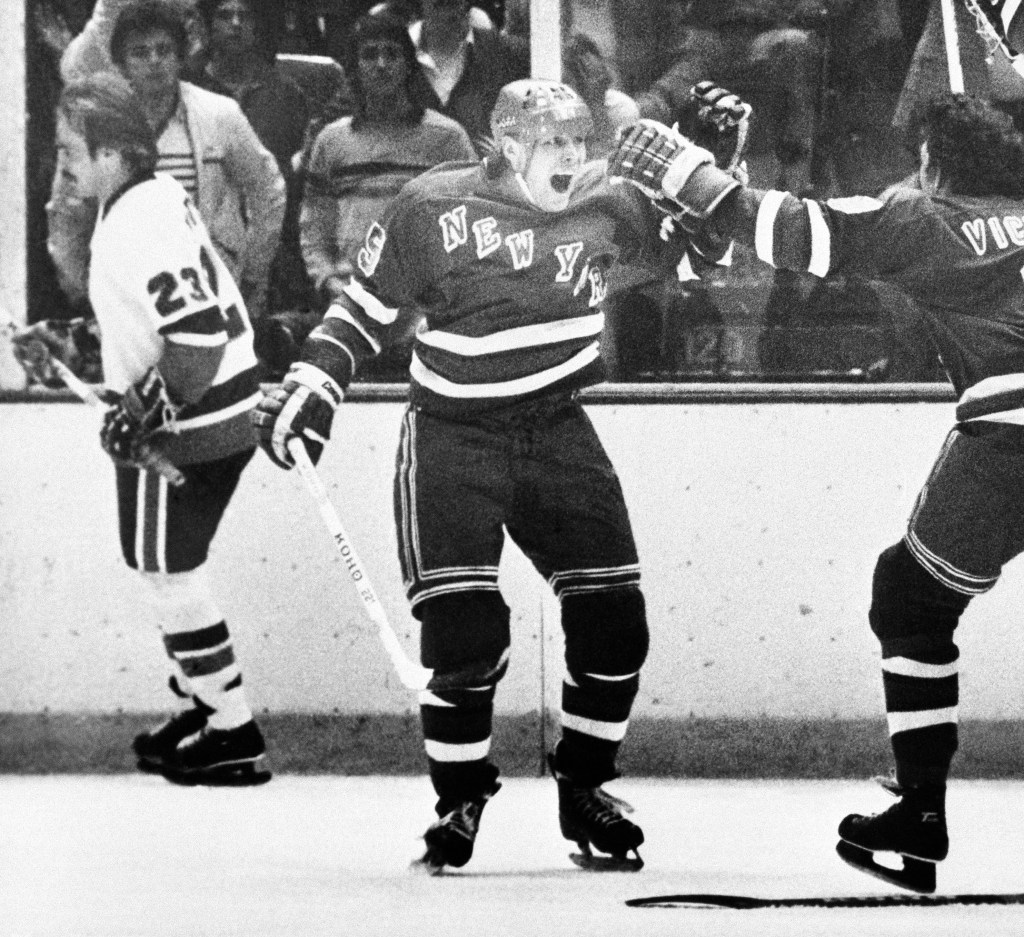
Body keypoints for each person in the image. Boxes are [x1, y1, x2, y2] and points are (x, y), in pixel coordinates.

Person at [251, 78, 746, 872]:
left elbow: (700, 254)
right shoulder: (432, 208)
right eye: (556, 144)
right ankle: (460, 797)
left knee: (617, 621)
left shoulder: (612, 204)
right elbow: (366, 309)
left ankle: (585, 785)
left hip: (556, 427)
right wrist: (315, 381)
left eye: (581, 142)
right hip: (454, 437)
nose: (574, 158)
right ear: (508, 146)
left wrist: (715, 172)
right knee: (466, 632)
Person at [608, 91, 1024, 893]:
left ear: (936, 163)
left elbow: (795, 231)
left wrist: (687, 172)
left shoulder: (925, 217)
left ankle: (922, 813)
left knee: (909, 600)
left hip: (1012, 436)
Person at [38, 71, 271, 786]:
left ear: (113, 149)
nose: (63, 160)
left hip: (192, 425)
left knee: (168, 573)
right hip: (221, 413)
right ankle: (204, 707)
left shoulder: (134, 220)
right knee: (167, 566)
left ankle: (232, 730)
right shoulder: (152, 197)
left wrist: (144, 412)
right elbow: (159, 319)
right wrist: (77, 341)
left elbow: (196, 339)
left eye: (70, 146)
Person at [47, 0, 286, 323]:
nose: (155, 61)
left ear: (180, 56)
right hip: (125, 291)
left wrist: (253, 272)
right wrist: (80, 286)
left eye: (164, 50)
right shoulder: (100, 123)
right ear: (120, 62)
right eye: (140, 53)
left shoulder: (220, 114)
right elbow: (68, 206)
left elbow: (268, 190)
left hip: (209, 289)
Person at [295, 11, 475, 381]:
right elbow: (315, 225)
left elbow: (471, 223)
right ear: (355, 67)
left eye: (392, 54)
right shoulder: (332, 141)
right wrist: (329, 280)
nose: (381, 65)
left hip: (425, 319)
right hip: (349, 307)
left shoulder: (446, 138)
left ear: (409, 66)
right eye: (370, 55)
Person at [633, 0, 853, 193]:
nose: (740, 37)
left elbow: (802, 112)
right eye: (733, 30)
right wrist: (634, 111)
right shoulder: (704, 60)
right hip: (727, 165)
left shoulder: (786, 50)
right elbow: (668, 92)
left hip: (776, 158)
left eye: (747, 29)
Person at [194, 0, 312, 314]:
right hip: (199, 243)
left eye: (244, 16)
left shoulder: (285, 92)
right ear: (208, 24)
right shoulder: (187, 87)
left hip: (272, 244)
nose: (235, 23)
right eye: (224, 15)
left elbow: (292, 181)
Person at [406, 0, 529, 153]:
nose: (452, 13)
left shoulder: (511, 55)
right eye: (442, 5)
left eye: (458, 4)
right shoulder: (393, 55)